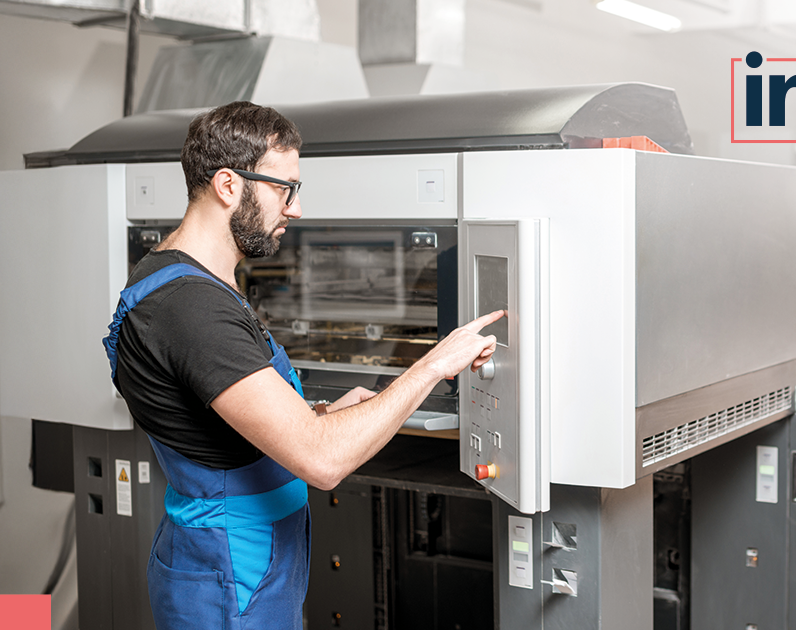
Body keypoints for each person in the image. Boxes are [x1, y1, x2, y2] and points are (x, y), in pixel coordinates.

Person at [100, 100, 502, 630]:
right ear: (228, 185)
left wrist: (317, 410)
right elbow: (322, 462)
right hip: (231, 576)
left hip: (229, 560)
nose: (294, 208)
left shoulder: (173, 275)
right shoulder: (192, 307)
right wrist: (432, 364)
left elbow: (219, 413)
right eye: (283, 187)